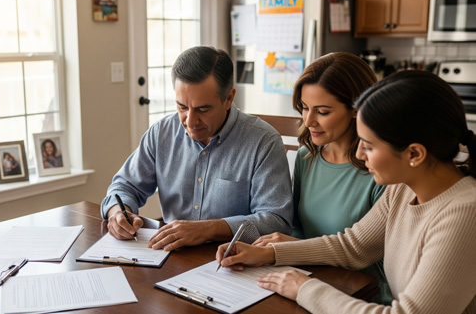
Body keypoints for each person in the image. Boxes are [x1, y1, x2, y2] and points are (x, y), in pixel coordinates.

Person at [216, 70, 476, 314]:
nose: (361, 154)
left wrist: (306, 289)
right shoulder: (403, 189)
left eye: (369, 146)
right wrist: (270, 253)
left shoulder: (464, 214)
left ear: (414, 154)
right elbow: (354, 246)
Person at [102, 46, 293, 252]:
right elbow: (125, 186)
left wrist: (208, 229)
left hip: (234, 261)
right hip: (169, 256)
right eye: (182, 107)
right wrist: (117, 213)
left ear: (229, 98)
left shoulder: (264, 141)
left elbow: (276, 220)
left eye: (203, 109)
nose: (190, 121)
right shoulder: (161, 133)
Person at [251, 52, 391, 304]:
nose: (308, 120)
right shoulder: (307, 156)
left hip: (362, 295)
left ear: (356, 110)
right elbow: (296, 227)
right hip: (308, 278)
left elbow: (366, 253)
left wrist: (288, 250)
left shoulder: (381, 170)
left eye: (323, 111)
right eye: (304, 108)